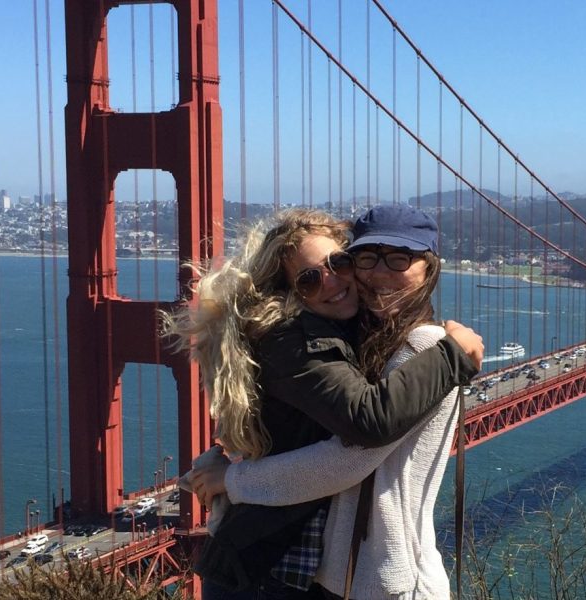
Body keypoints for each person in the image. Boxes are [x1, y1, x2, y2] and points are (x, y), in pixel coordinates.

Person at [164, 207, 483, 599]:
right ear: (292, 291)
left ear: (430, 268)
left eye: (340, 262)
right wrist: (229, 477)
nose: (333, 280)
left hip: (347, 575)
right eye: (310, 279)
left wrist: (231, 477)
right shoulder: (300, 340)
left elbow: (348, 454)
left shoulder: (409, 345)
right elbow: (360, 434)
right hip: (268, 568)